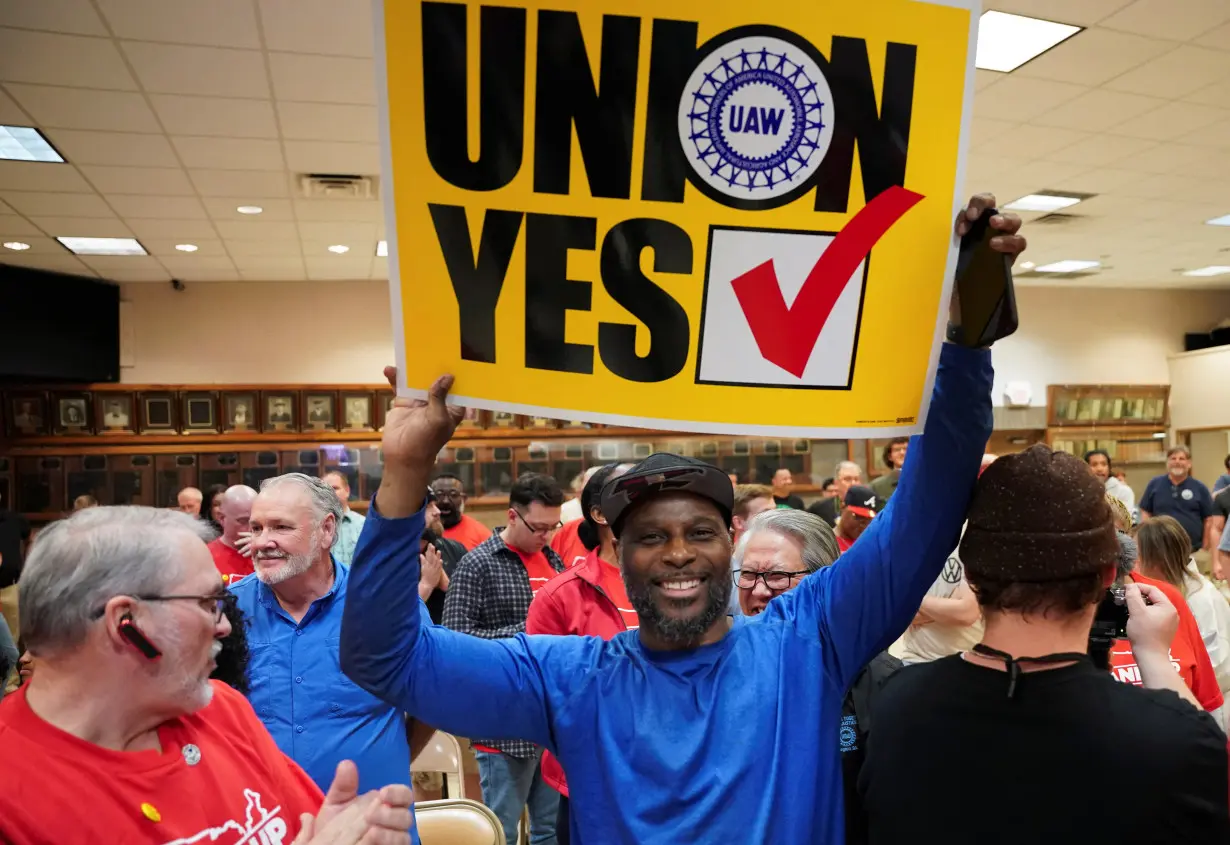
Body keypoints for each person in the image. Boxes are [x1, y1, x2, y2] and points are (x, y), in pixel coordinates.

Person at [339, 188, 1025, 845]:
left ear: (730, 540)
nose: (676, 552)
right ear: (616, 549)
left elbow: (925, 513)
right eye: (650, 536)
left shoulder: (803, 641)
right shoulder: (571, 679)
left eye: (698, 531)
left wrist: (966, 344)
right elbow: (385, 656)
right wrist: (402, 473)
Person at [859, 445, 1230, 843]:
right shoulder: (1167, 736)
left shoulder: (898, 706)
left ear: (971, 575)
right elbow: (1209, 774)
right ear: (1109, 573)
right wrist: (1154, 655)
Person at [0, 506, 415, 844]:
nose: (225, 626)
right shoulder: (13, 800)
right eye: (206, 602)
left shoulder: (221, 709)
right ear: (127, 622)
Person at [231, 474, 417, 822]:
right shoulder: (227, 612)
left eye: (280, 527)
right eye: (255, 529)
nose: (262, 542)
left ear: (327, 531)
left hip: (372, 825)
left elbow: (428, 695)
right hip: (265, 823)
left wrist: (390, 754)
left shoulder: (383, 604)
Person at [731, 508, 899, 845]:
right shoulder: (716, 672)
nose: (760, 591)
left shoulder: (881, 682)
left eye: (777, 576)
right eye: (748, 574)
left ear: (825, 583)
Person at [442, 473, 566, 845]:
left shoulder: (554, 558)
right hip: (503, 722)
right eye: (538, 527)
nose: (546, 535)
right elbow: (454, 638)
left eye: (553, 526)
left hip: (552, 719)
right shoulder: (477, 564)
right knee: (501, 831)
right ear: (513, 517)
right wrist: (525, 633)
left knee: (550, 831)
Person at [526, 463, 638, 845]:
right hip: (590, 777)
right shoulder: (562, 595)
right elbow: (544, 695)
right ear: (600, 513)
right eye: (632, 490)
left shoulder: (680, 583)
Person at [1135, 515, 1230, 728]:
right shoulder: (1161, 590)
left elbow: (1217, 668)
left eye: (1137, 555)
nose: (1134, 563)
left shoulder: (1202, 598)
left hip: (1210, 710)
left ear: (1157, 559)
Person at [1139, 445, 1215, 557]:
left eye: (1181, 459)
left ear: (1189, 463)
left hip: (1193, 552)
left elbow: (1209, 520)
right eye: (1173, 458)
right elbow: (1145, 513)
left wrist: (1204, 548)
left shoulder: (1200, 488)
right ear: (1167, 463)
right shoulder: (1154, 484)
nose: (1177, 462)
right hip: (1160, 550)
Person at [419, 490, 464, 625]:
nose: (437, 511)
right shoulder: (389, 559)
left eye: (435, 505)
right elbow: (391, 620)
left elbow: (473, 608)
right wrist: (426, 585)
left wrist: (447, 586)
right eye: (428, 507)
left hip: (449, 640)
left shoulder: (454, 549)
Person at [208, 485, 257, 585]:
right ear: (221, 518)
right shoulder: (207, 557)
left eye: (256, 521)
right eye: (243, 521)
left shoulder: (269, 553)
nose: (252, 528)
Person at [430, 474, 491, 551]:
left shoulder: (481, 535)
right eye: (439, 494)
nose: (445, 501)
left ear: (464, 499)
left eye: (453, 495)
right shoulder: (420, 532)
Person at [324, 471, 367, 566]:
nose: (330, 492)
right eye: (325, 489)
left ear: (347, 491)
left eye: (335, 488)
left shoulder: (364, 525)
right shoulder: (313, 527)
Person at [808, 461, 863, 526]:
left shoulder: (869, 506)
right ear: (836, 483)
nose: (853, 483)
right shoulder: (820, 508)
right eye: (847, 479)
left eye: (856, 479)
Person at [1084, 448, 1135, 514]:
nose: (1099, 469)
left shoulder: (1123, 491)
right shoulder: (1081, 492)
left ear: (1109, 467)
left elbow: (1123, 521)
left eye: (1104, 464)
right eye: (1094, 464)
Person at [834, 485, 877, 553]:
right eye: (858, 516)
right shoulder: (828, 542)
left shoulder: (871, 543)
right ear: (843, 507)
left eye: (869, 519)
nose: (864, 524)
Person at [869, 438, 908, 506]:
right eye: (897, 450)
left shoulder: (922, 481)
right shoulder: (876, 486)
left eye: (906, 449)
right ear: (890, 456)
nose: (902, 453)